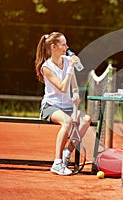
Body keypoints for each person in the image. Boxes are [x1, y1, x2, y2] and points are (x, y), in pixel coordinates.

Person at [35, 32, 91, 175]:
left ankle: (67, 152)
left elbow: (73, 86)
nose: (67, 47)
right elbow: (62, 87)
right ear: (54, 47)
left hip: (67, 106)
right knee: (66, 122)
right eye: (63, 44)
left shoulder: (67, 61)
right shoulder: (46, 67)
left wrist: (77, 94)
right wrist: (71, 67)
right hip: (50, 106)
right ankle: (57, 163)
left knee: (86, 120)